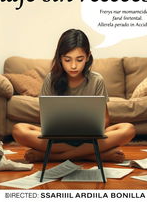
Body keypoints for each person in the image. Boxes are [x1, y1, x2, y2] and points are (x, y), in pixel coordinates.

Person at [12, 29, 135, 163]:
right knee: (19, 130)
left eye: (79, 59)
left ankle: (54, 156)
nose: (74, 65)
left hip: (90, 136)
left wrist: (89, 127)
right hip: (58, 136)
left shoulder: (97, 80)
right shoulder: (50, 79)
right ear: (60, 58)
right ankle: (91, 154)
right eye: (67, 59)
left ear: (88, 57)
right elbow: (44, 119)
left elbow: (105, 120)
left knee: (128, 129)